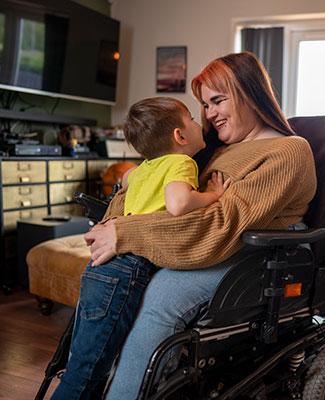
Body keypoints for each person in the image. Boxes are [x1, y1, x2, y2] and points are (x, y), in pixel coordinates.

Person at [75, 51, 317, 399]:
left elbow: (221, 223)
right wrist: (111, 224)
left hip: (255, 251)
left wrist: (127, 233)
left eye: (218, 101)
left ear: (249, 94)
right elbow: (158, 194)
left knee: (163, 293)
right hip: (206, 241)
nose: (209, 114)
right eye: (204, 105)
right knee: (118, 278)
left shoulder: (288, 151)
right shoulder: (216, 150)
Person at [51, 97, 230, 399]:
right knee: (90, 370)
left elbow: (124, 179)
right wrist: (212, 195)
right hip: (129, 268)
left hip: (102, 267)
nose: (203, 123)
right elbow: (178, 204)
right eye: (193, 120)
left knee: (84, 358)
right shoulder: (182, 162)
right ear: (180, 136)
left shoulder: (143, 168)